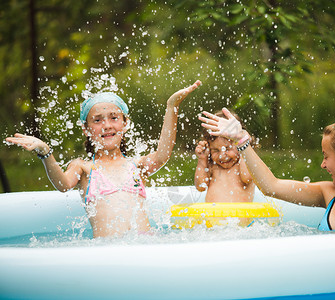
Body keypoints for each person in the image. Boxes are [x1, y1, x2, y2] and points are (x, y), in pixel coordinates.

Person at [5, 80, 201, 238]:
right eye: (97, 120)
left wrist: (171, 106)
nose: (106, 125)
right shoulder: (84, 168)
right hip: (108, 253)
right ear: (86, 129)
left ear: (125, 123)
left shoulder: (135, 165)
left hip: (146, 245)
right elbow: (63, 184)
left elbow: (162, 155)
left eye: (114, 118)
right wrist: (46, 152)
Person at [199, 108, 335, 232]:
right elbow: (270, 187)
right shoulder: (328, 193)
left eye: (326, 156)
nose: (323, 164)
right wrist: (242, 140)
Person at [194, 110, 255, 203]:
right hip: (212, 216)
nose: (222, 155)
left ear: (238, 143)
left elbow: (247, 177)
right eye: (215, 150)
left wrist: (244, 145)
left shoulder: (242, 164)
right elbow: (200, 186)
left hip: (239, 216)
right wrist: (202, 159)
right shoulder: (212, 166)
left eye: (227, 149)